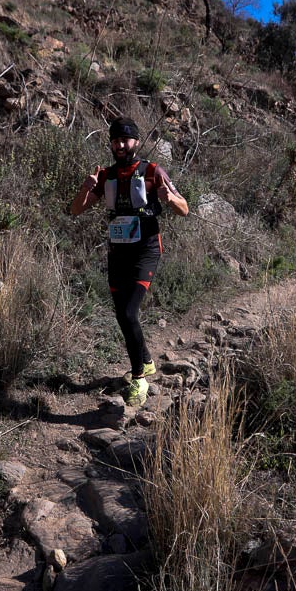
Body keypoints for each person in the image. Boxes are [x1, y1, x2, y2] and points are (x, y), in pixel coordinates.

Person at [70, 117, 189, 405]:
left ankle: (139, 379)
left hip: (145, 251)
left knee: (128, 312)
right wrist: (86, 188)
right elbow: (75, 210)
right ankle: (145, 360)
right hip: (118, 253)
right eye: (115, 141)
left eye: (125, 140)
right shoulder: (106, 175)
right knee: (122, 314)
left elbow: (184, 208)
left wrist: (169, 199)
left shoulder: (152, 171)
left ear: (136, 141)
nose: (120, 145)